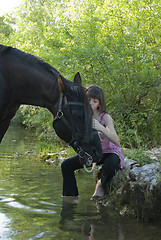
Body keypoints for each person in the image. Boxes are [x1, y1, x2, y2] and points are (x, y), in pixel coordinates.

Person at [61, 85, 125, 197]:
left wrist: (100, 127)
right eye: (88, 100)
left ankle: (100, 185)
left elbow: (116, 141)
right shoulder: (83, 116)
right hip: (93, 153)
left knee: (113, 163)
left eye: (94, 101)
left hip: (109, 152)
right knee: (66, 165)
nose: (90, 103)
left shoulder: (105, 117)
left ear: (99, 104)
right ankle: (71, 196)